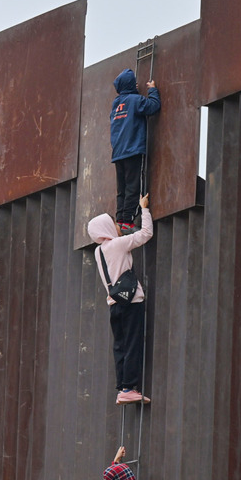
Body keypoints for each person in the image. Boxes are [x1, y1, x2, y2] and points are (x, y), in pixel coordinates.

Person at [87, 194, 153, 405]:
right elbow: (146, 233)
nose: (117, 226)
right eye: (113, 224)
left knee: (121, 347)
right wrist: (144, 209)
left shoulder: (98, 251)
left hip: (114, 303)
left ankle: (123, 388)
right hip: (131, 301)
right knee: (133, 344)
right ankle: (129, 388)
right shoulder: (118, 245)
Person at [110, 68, 161, 234]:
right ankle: (128, 222)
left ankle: (120, 220)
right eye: (135, 82)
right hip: (132, 150)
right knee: (133, 187)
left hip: (118, 153)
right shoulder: (135, 100)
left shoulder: (116, 104)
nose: (137, 84)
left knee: (122, 189)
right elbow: (153, 106)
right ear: (131, 85)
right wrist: (152, 90)